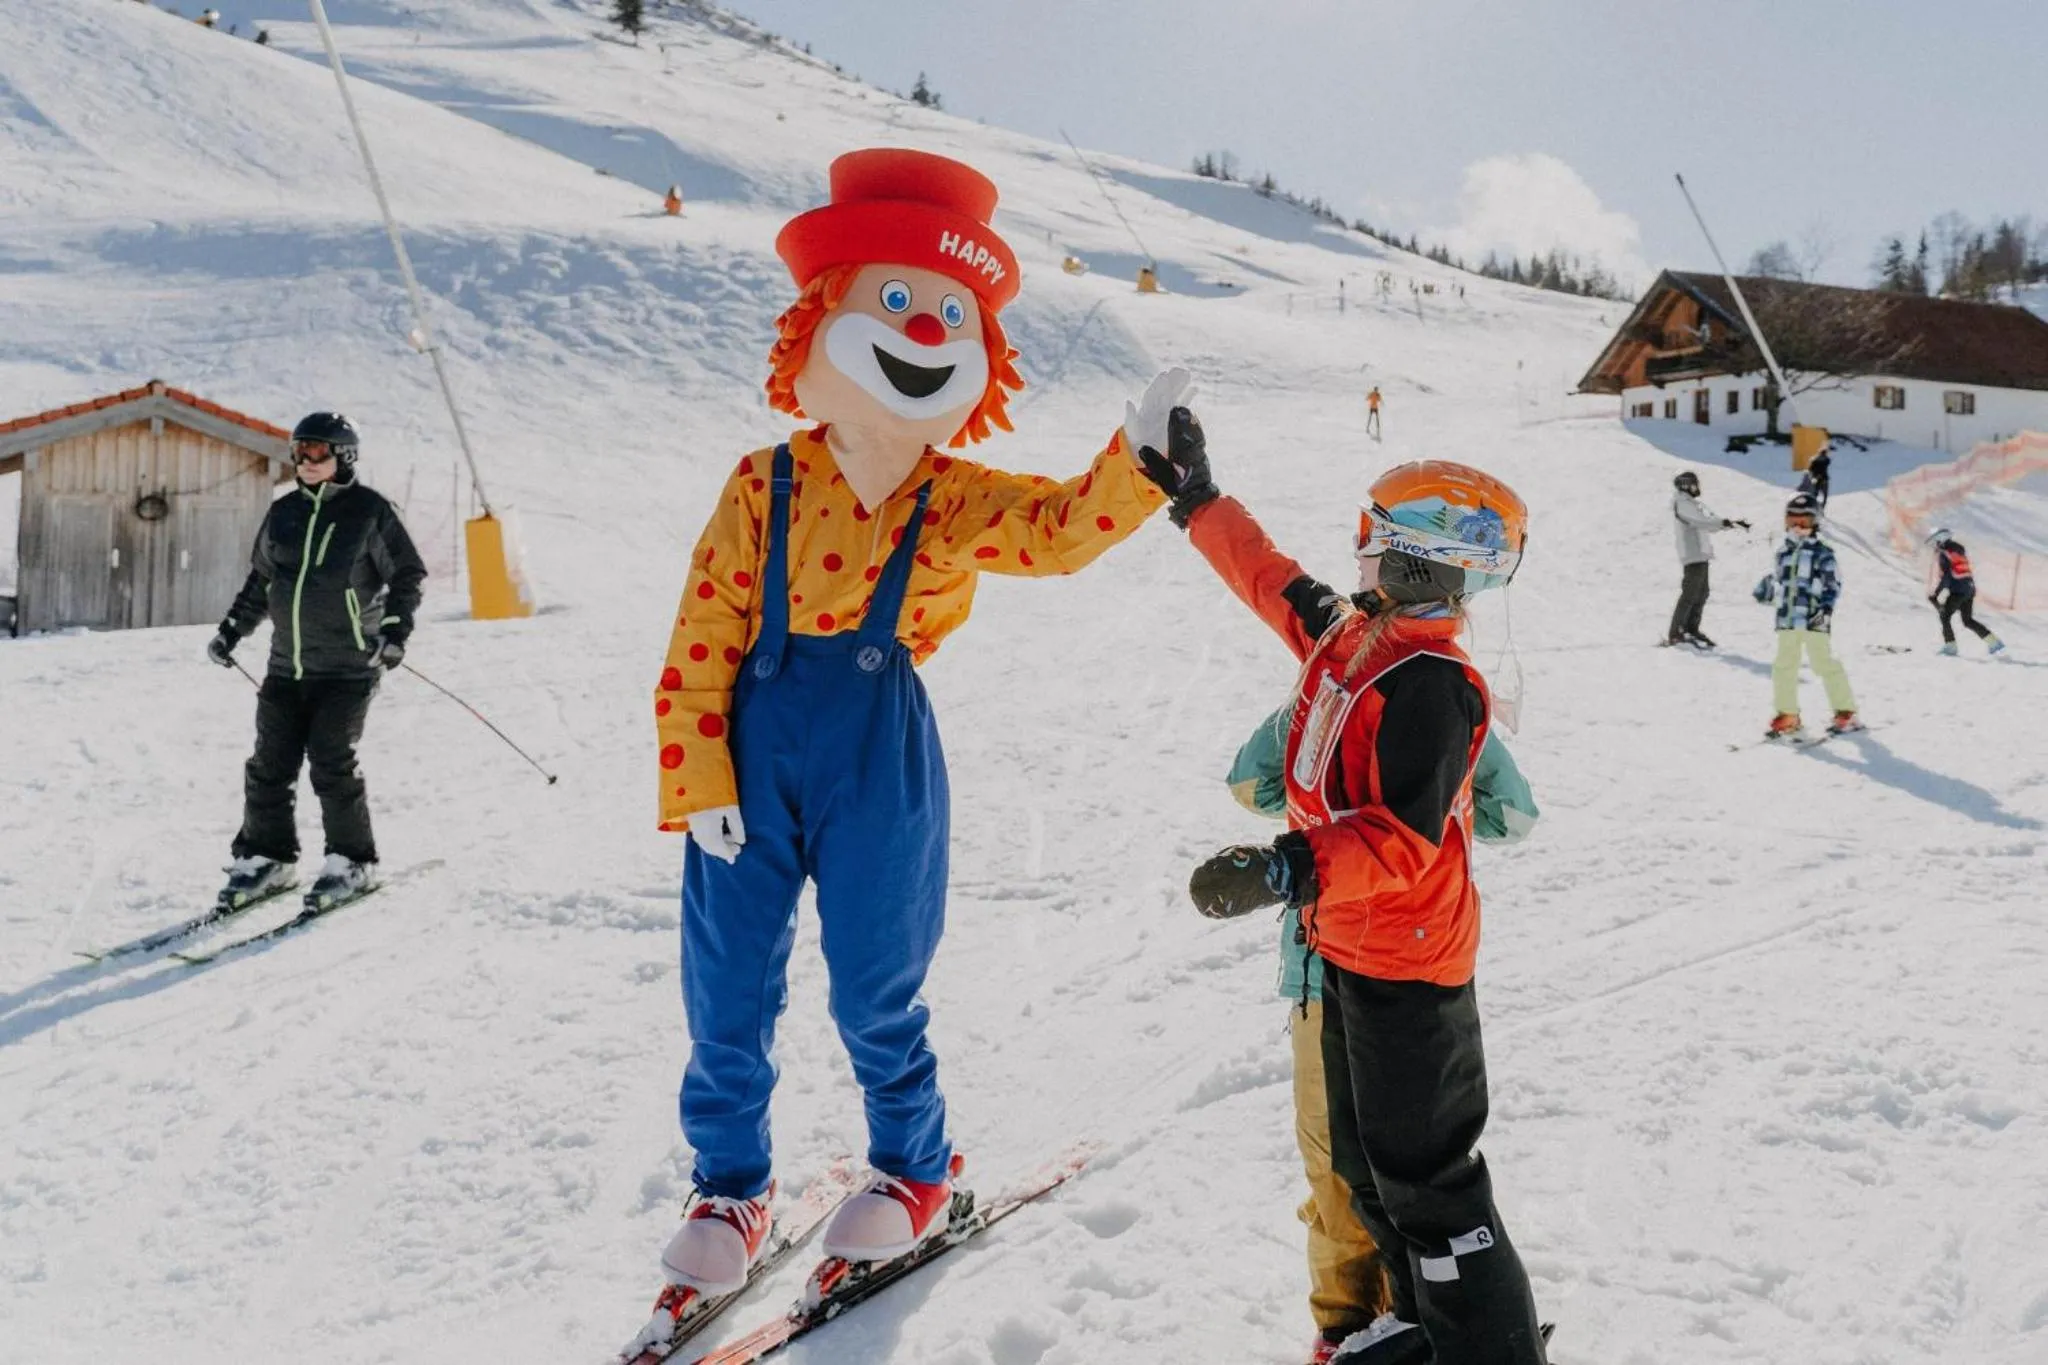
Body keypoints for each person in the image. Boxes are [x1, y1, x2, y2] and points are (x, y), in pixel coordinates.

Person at [646, 148, 1179, 1317]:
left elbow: (1054, 530)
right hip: (749, 741)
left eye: (949, 312)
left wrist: (1138, 465)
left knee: (874, 975)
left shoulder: (953, 496)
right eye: (895, 303)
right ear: (820, 323)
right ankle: (730, 1186)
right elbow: (701, 631)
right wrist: (697, 772)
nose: (924, 329)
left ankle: (914, 1161)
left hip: (878, 754)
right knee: (726, 979)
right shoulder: (761, 486)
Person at [1142, 408, 1547, 1365]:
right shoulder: (1357, 639)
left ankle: (1493, 1349)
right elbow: (1272, 582)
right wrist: (1201, 501)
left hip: (1412, 962)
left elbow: (1403, 840)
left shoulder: (1435, 687)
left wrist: (1286, 866)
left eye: (1372, 541)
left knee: (1429, 1180)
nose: (1355, 556)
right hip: (1351, 948)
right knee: (1368, 1169)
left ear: (1419, 561)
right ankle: (1418, 1325)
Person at [1227, 707, 1540, 1365]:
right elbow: (1509, 813)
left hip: (1363, 967)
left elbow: (1252, 785)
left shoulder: (1371, 699)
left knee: (1372, 1157)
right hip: (1375, 967)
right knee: (1367, 1154)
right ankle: (1354, 1323)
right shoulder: (1377, 701)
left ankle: (1406, 1315)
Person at [206, 413, 426, 912]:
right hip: (287, 666)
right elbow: (262, 582)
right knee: (268, 765)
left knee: (330, 762)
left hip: (349, 667)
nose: (305, 461)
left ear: (343, 457)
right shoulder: (283, 513)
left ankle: (353, 862)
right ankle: (267, 858)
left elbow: (408, 573)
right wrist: (230, 631)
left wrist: (394, 632)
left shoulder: (370, 512)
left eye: (317, 452)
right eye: (299, 451)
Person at [1752, 492, 1859, 739]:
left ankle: (1846, 711)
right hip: (1787, 620)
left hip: (1814, 619)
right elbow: (1780, 583)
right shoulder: (1783, 552)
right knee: (1783, 667)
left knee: (1823, 664)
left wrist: (1824, 611)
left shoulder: (1823, 552)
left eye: (1805, 522)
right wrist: (1766, 590)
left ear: (1816, 523)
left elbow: (1833, 585)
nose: (1799, 527)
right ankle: (1788, 714)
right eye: (1793, 521)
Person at [1667, 470, 1746, 648]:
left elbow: (1708, 521)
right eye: (1694, 484)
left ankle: (1691, 628)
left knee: (1702, 593)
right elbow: (1700, 522)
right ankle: (1676, 632)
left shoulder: (1692, 503)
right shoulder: (1682, 503)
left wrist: (1729, 523)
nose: (1697, 488)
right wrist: (1722, 523)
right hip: (1692, 554)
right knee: (1690, 594)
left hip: (1700, 554)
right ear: (1686, 485)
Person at [1925, 528, 2005, 656]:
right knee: (1967, 620)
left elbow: (1947, 576)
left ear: (1941, 539)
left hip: (1958, 590)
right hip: (1969, 589)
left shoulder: (1944, 554)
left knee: (1945, 616)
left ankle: (1950, 646)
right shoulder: (1957, 551)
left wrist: (1936, 593)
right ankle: (1994, 643)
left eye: (1936, 541)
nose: (1935, 545)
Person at [1798, 445, 1832, 511]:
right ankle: (1820, 508)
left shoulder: (1816, 460)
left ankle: (1815, 507)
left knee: (1816, 494)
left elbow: (1810, 469)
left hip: (1818, 479)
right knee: (1824, 495)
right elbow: (1828, 461)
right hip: (1823, 479)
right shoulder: (1826, 460)